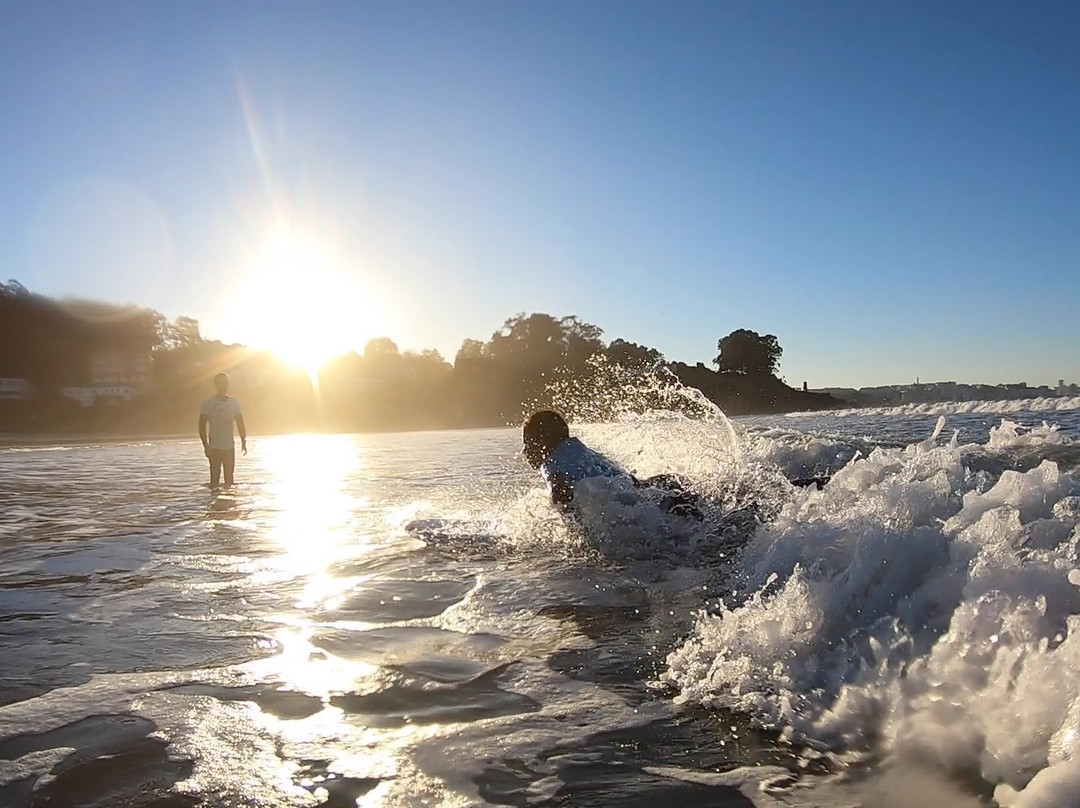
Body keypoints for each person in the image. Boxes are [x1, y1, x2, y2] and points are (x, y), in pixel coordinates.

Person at [521, 410, 703, 519]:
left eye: (527, 444)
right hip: (655, 488)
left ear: (543, 442)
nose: (524, 452)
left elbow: (561, 495)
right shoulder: (576, 448)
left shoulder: (551, 464)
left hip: (642, 504)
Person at [199, 373, 247, 489]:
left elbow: (240, 422)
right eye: (220, 383)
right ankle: (213, 503)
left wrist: (243, 440)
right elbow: (201, 426)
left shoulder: (233, 402)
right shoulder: (208, 403)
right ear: (216, 385)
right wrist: (206, 446)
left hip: (229, 447)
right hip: (214, 447)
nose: (223, 386)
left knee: (229, 481)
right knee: (214, 481)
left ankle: (229, 504)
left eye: (225, 383)